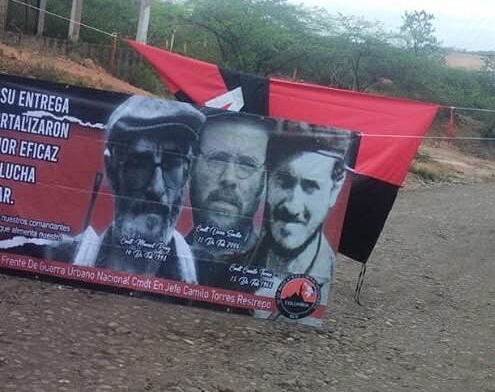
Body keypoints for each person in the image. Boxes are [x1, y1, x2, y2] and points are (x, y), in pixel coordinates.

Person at [49, 96, 205, 283]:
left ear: (187, 173)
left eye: (172, 164)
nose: (156, 188)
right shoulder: (56, 259)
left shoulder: (209, 276)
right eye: (139, 164)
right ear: (112, 170)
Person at [256, 120, 354, 302]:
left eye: (311, 186)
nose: (293, 206)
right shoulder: (235, 264)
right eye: (284, 182)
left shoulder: (325, 276)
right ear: (267, 178)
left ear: (334, 189)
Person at [187, 110, 271, 288]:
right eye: (217, 159)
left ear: (263, 181)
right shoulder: (159, 261)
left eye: (247, 164)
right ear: (191, 166)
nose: (229, 178)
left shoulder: (272, 277)